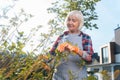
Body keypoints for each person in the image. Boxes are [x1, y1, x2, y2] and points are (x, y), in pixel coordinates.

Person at [50, 10, 94, 80]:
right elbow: (51, 55)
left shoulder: (85, 38)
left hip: (78, 78)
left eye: (73, 21)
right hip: (58, 77)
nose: (70, 22)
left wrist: (76, 49)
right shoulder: (61, 37)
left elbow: (89, 59)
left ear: (79, 23)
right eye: (69, 20)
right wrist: (57, 52)